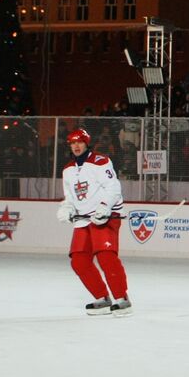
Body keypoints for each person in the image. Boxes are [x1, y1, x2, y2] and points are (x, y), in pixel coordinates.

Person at [55, 128, 131, 316]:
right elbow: (70, 196)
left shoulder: (100, 162)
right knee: (79, 261)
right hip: (84, 219)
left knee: (106, 256)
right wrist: (67, 208)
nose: (76, 146)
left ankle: (122, 299)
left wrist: (105, 207)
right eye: (72, 143)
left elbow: (113, 187)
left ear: (86, 143)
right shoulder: (68, 169)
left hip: (104, 216)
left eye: (79, 142)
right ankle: (102, 298)